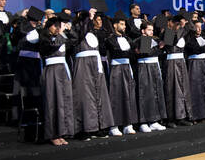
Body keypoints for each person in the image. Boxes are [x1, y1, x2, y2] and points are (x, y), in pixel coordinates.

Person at [71, 9, 115, 139]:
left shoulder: (94, 33)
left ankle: (98, 126)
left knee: (99, 95)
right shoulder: (76, 31)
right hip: (83, 65)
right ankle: (84, 128)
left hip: (96, 65)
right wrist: (88, 18)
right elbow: (79, 36)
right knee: (84, 96)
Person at [39, 13, 74, 146]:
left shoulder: (61, 37)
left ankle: (62, 132)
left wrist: (69, 30)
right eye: (55, 26)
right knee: (53, 101)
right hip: (52, 71)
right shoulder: (44, 38)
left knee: (64, 101)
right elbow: (51, 47)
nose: (58, 28)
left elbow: (75, 40)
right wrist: (61, 36)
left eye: (59, 26)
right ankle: (52, 134)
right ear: (49, 27)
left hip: (62, 70)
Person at [105, 11, 140, 135]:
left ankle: (128, 123)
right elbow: (117, 51)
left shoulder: (127, 39)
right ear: (115, 25)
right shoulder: (110, 39)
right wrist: (130, 52)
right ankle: (114, 126)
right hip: (116, 68)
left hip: (127, 67)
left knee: (128, 95)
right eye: (122, 24)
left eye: (125, 24)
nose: (124, 27)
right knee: (116, 95)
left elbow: (133, 53)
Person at [133, 22, 167, 132]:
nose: (151, 32)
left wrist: (159, 47)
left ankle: (154, 120)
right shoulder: (139, 40)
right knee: (145, 94)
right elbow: (147, 53)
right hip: (144, 67)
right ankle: (143, 122)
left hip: (154, 66)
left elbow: (161, 52)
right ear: (143, 31)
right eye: (149, 30)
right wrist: (158, 48)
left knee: (156, 93)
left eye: (152, 30)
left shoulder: (154, 40)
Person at [163, 15, 194, 127]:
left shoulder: (182, 32)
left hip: (181, 62)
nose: (178, 25)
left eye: (178, 23)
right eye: (175, 23)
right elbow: (172, 41)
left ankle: (182, 116)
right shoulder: (166, 32)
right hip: (171, 63)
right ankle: (171, 119)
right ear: (170, 23)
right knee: (172, 89)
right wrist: (180, 28)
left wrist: (186, 21)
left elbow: (192, 30)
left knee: (183, 89)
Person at [185, 21, 205, 122]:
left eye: (200, 27)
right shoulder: (189, 39)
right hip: (194, 64)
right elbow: (196, 49)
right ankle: (197, 115)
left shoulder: (204, 37)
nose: (199, 29)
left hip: (203, 63)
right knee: (195, 89)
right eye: (197, 27)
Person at [0, 0, 14, 72]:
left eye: (5, 0)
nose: (4, 2)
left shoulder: (9, 14)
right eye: (2, 0)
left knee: (7, 60)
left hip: (7, 40)